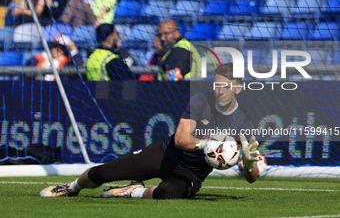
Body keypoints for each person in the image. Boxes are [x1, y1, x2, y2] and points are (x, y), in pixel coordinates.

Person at [39, 63, 260, 199]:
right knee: (103, 173)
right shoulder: (201, 101)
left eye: (227, 86)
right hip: (165, 155)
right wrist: (208, 145)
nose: (221, 91)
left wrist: (249, 163)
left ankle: (131, 191)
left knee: (167, 194)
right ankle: (71, 188)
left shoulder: (244, 123)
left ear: (238, 88)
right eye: (217, 85)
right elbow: (181, 140)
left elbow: (252, 178)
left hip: (191, 174)